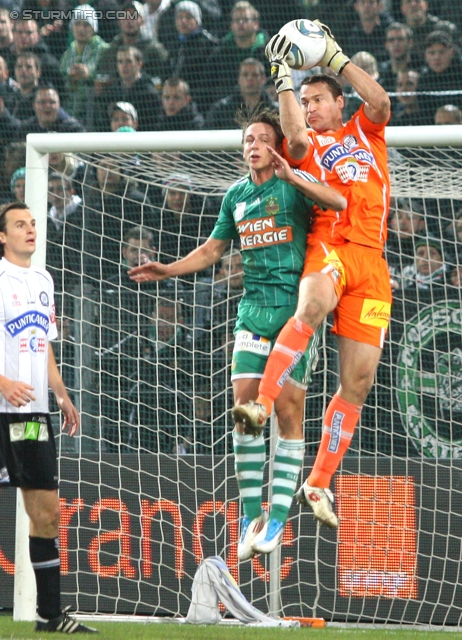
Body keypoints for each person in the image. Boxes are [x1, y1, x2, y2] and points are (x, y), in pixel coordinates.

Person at [128, 109, 347, 558]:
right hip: (252, 313)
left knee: (287, 410)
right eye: (248, 139)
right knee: (244, 408)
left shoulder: (294, 186)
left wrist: (300, 177)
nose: (253, 145)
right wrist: (168, 269)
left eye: (263, 138)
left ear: (277, 146)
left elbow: (336, 202)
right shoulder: (236, 196)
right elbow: (213, 249)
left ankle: (280, 520)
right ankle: (251, 513)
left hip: (295, 312)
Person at [232, 21, 392, 530]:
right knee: (312, 306)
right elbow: (295, 135)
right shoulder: (306, 147)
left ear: (338, 104)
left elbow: (382, 102)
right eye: (305, 101)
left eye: (318, 99)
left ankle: (318, 481)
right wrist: (283, 78)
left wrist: (335, 59)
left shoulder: (366, 131)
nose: (311, 107)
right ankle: (260, 403)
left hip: (374, 261)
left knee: (359, 380)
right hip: (331, 242)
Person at [0, 201, 97, 634]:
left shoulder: (44, 279)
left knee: (47, 514)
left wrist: (60, 394)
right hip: (1, 407)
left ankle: (50, 616)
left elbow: (45, 344)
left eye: (33, 224)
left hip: (34, 414)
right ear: (2, 236)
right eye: (20, 225)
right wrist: (3, 383)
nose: (30, 230)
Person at [59, 5, 109, 125]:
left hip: (95, 112)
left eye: (86, 25)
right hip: (70, 110)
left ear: (93, 28)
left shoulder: (104, 49)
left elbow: (108, 76)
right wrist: (69, 76)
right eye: (77, 24)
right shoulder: (69, 51)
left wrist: (89, 74)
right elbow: (61, 74)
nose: (81, 29)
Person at [210, 1, 268, 101]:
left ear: (256, 24)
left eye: (245, 19)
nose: (241, 23)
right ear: (231, 25)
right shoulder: (220, 53)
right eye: (237, 20)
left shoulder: (269, 51)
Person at [205, 57, 277, 130]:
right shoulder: (221, 110)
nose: (249, 79)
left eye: (254, 75)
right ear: (239, 79)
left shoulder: (274, 111)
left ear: (263, 79)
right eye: (245, 75)